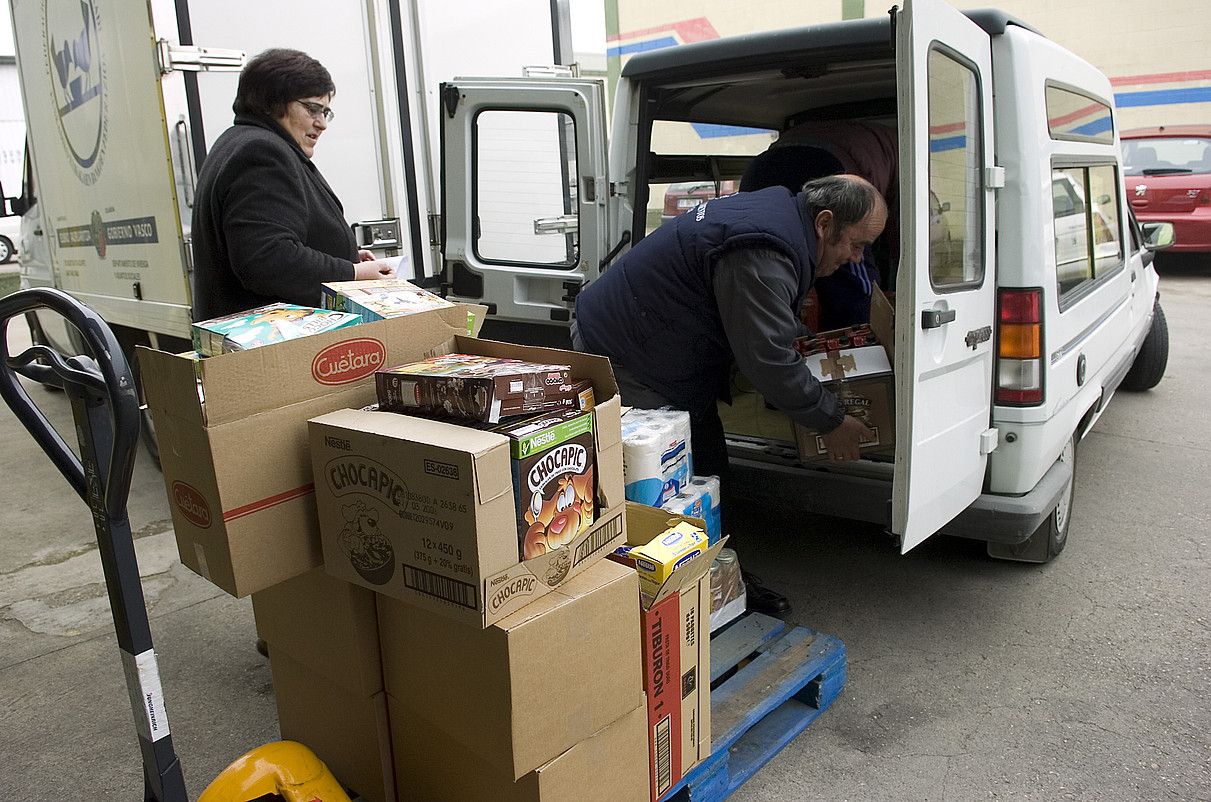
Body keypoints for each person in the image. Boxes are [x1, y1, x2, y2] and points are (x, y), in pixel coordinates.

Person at [573, 174, 887, 615]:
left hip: (659, 343)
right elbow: (769, 359)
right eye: (855, 244)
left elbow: (765, 316)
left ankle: (719, 580)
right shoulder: (764, 248)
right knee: (664, 482)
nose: (856, 259)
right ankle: (667, 600)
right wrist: (831, 420)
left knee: (707, 464)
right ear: (824, 222)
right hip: (627, 348)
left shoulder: (782, 213)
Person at [191, 48, 395, 321]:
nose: (321, 123)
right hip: (273, 350)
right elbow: (267, 259)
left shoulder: (237, 142)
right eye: (312, 109)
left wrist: (344, 257)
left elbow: (264, 240)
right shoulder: (262, 153)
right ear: (273, 103)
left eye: (326, 112)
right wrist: (353, 274)